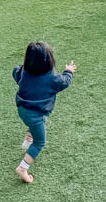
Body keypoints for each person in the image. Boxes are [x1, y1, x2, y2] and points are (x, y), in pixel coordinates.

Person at [13, 41, 77, 184]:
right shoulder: (52, 78)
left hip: (23, 109)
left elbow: (15, 73)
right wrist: (69, 71)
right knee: (40, 142)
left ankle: (29, 138)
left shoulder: (23, 70)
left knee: (37, 121)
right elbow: (65, 81)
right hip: (36, 114)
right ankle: (22, 168)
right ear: (49, 61)